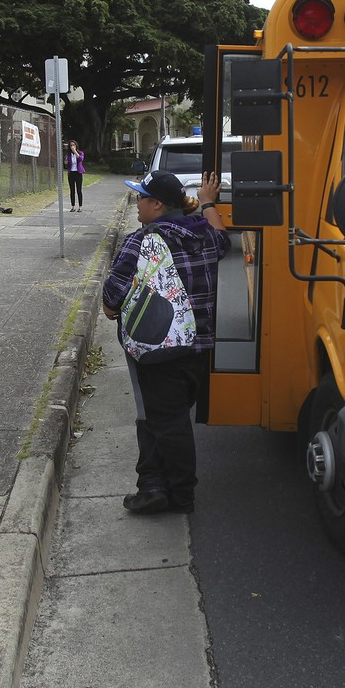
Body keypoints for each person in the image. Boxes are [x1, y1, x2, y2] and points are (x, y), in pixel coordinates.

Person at [102, 169, 230, 515]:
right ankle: (152, 486)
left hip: (158, 351)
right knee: (162, 416)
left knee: (167, 422)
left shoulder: (141, 241)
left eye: (141, 197)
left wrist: (111, 307)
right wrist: (207, 203)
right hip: (198, 348)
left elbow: (113, 296)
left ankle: (181, 494)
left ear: (157, 204)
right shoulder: (204, 235)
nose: (137, 203)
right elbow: (223, 238)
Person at [66, 140, 87, 212]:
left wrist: (75, 151)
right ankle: (73, 206)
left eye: (73, 145)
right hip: (71, 173)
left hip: (78, 173)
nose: (72, 146)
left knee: (79, 190)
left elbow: (80, 159)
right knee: (72, 190)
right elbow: (67, 163)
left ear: (76, 146)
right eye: (71, 145)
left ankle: (80, 207)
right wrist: (66, 162)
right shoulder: (68, 155)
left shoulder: (80, 153)